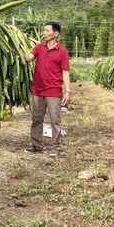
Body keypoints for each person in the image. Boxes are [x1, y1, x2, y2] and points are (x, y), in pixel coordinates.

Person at [22, 21, 71, 157]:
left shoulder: (62, 51)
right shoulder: (39, 47)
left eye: (47, 31)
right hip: (38, 89)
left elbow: (65, 72)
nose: (44, 33)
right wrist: (19, 53)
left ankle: (55, 147)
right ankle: (37, 145)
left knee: (55, 119)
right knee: (36, 118)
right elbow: (28, 58)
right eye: (44, 31)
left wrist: (67, 90)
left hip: (53, 91)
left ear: (56, 33)